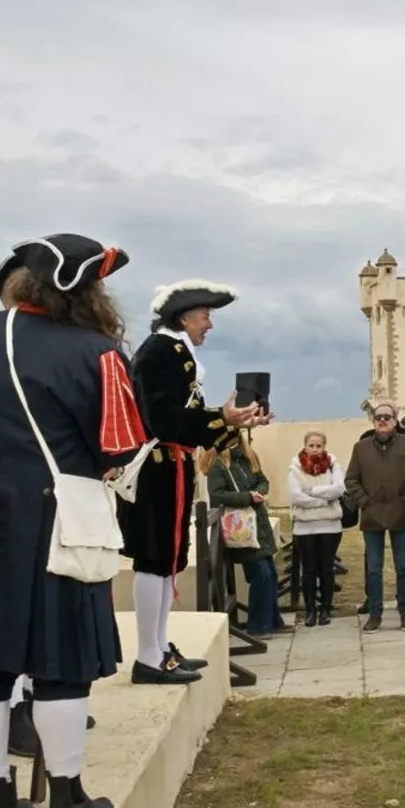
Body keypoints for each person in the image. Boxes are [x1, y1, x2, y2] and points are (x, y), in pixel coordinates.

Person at [0, 234, 138, 808]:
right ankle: (68, 799)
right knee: (61, 662)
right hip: (56, 516)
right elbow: (119, 446)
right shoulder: (96, 352)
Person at [119, 278, 264, 685]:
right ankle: (149, 656)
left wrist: (235, 422)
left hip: (172, 467)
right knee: (153, 560)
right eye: (205, 316)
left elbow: (191, 426)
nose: (209, 325)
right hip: (156, 468)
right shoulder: (162, 351)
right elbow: (164, 421)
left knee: (167, 562)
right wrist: (223, 418)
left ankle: (160, 647)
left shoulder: (172, 350)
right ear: (184, 317)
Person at [345, 403, 405, 632]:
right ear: (373, 420)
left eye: (387, 416)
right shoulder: (361, 447)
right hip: (372, 515)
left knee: (403, 566)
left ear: (396, 420)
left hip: (400, 513)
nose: (382, 420)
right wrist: (364, 502)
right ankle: (375, 613)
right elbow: (351, 480)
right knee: (374, 568)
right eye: (378, 417)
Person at [206, 435, 280, 639]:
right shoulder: (219, 464)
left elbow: (262, 480)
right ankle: (259, 625)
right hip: (242, 529)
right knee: (260, 576)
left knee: (271, 575)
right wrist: (248, 496)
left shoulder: (248, 458)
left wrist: (259, 492)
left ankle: (273, 621)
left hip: (258, 525)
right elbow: (216, 495)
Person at [286, 431, 347, 626]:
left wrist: (311, 492)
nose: (314, 449)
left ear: (324, 447)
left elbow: (339, 489)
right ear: (305, 446)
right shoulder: (295, 468)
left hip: (330, 525)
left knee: (326, 569)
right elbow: (296, 497)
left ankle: (325, 609)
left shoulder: (332, 465)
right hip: (305, 526)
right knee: (309, 570)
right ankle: (310, 609)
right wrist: (324, 500)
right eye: (311, 445)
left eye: (318, 446)